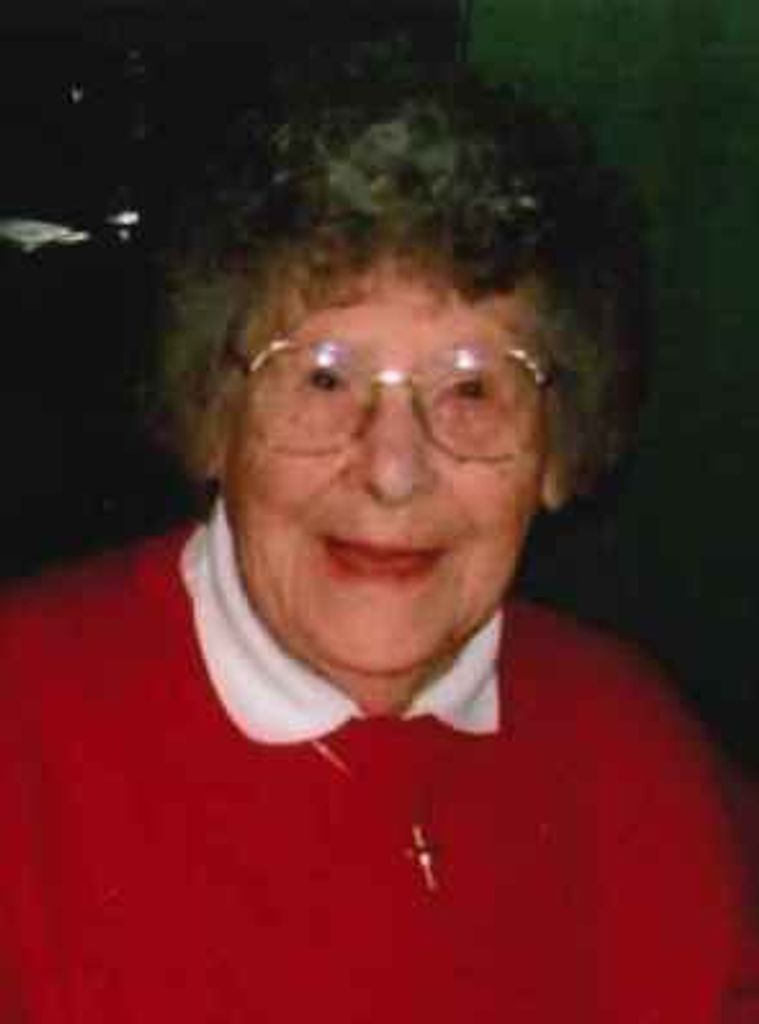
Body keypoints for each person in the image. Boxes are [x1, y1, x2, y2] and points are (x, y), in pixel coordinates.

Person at [1, 55, 757, 1022]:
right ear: (213, 415)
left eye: (472, 388)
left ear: (559, 443)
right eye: (322, 378)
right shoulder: (23, 731)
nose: (393, 471)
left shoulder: (642, 755)